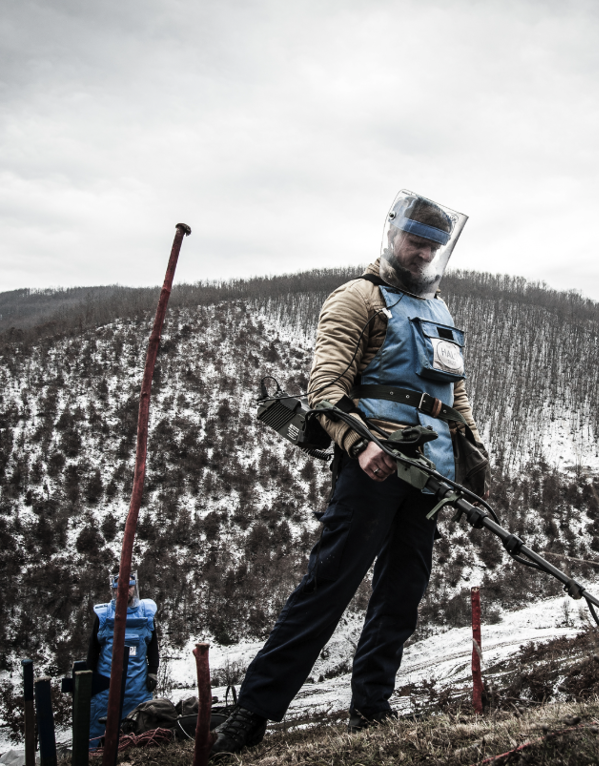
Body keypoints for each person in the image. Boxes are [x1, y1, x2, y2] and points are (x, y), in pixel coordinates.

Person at [211, 190, 489, 754]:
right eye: (415, 241)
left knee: (401, 594)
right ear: (393, 236)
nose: (422, 253)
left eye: (433, 246)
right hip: (372, 464)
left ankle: (371, 709)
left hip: (428, 473)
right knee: (329, 583)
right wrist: (360, 445)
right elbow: (325, 389)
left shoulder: (439, 311)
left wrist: (471, 454)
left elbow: (454, 394)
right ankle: (252, 714)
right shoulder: (357, 298)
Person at [87, 572, 159, 749]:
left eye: (129, 586)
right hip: (106, 686)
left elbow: (152, 646)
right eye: (120, 587)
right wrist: (89, 680)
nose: (125, 590)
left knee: (140, 731)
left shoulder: (146, 613)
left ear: (135, 588)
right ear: (113, 589)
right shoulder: (104, 615)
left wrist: (152, 672)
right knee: (99, 730)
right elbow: (93, 650)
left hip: (138, 687)